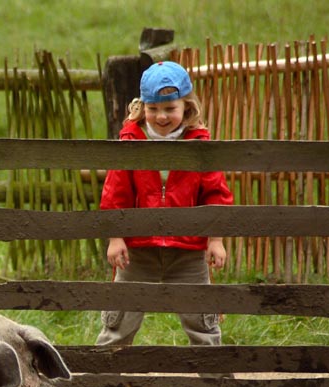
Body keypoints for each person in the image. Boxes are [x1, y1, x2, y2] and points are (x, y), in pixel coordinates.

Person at [96, 61, 233, 346]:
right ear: (142, 106)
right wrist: (116, 237)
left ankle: (214, 383)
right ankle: (101, 381)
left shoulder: (198, 146)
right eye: (153, 108)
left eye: (170, 108)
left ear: (187, 106)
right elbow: (114, 193)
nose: (161, 116)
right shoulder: (132, 142)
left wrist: (215, 239)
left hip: (188, 251)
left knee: (203, 324)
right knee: (119, 321)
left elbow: (216, 194)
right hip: (137, 252)